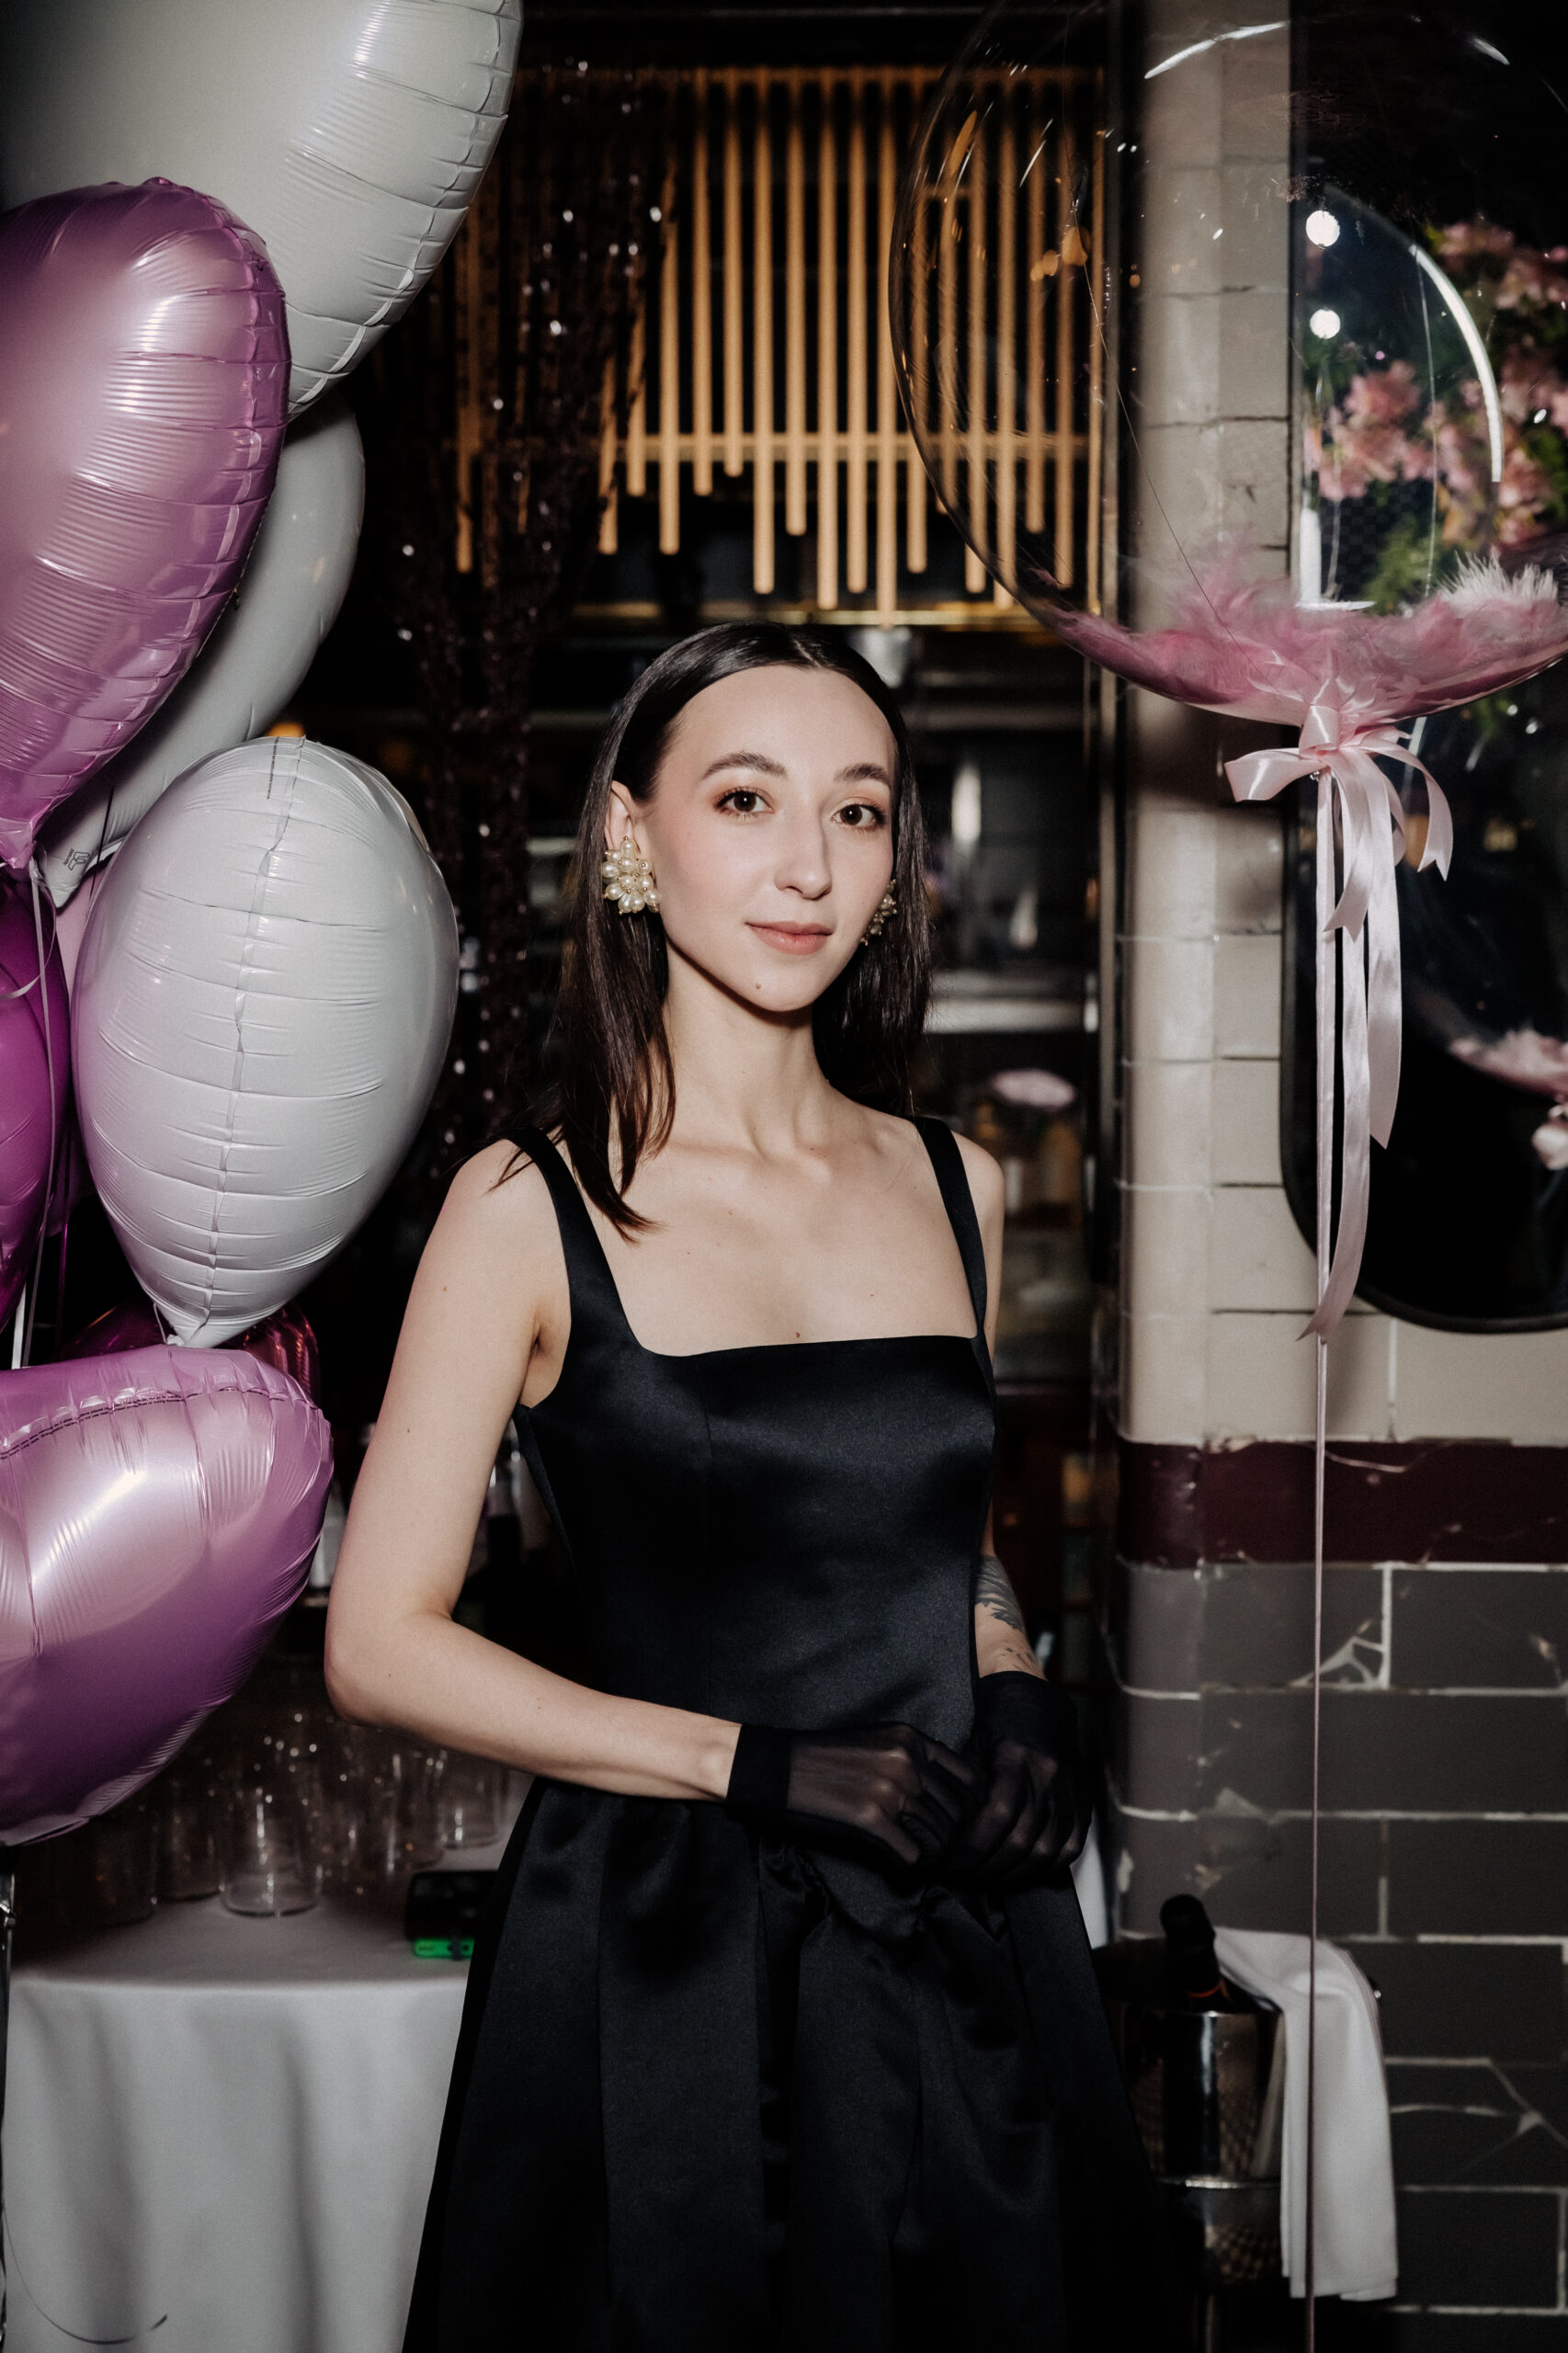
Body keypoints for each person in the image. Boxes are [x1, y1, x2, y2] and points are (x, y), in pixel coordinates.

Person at [325, 623, 1172, 2351]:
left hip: (953, 1923)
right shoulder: (526, 1205)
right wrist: (746, 1764)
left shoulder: (957, 1182)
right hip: (666, 1938)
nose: (809, 865)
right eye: (744, 799)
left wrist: (1013, 1680)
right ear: (629, 835)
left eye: (856, 812)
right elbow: (378, 1642)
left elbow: (946, 1543)